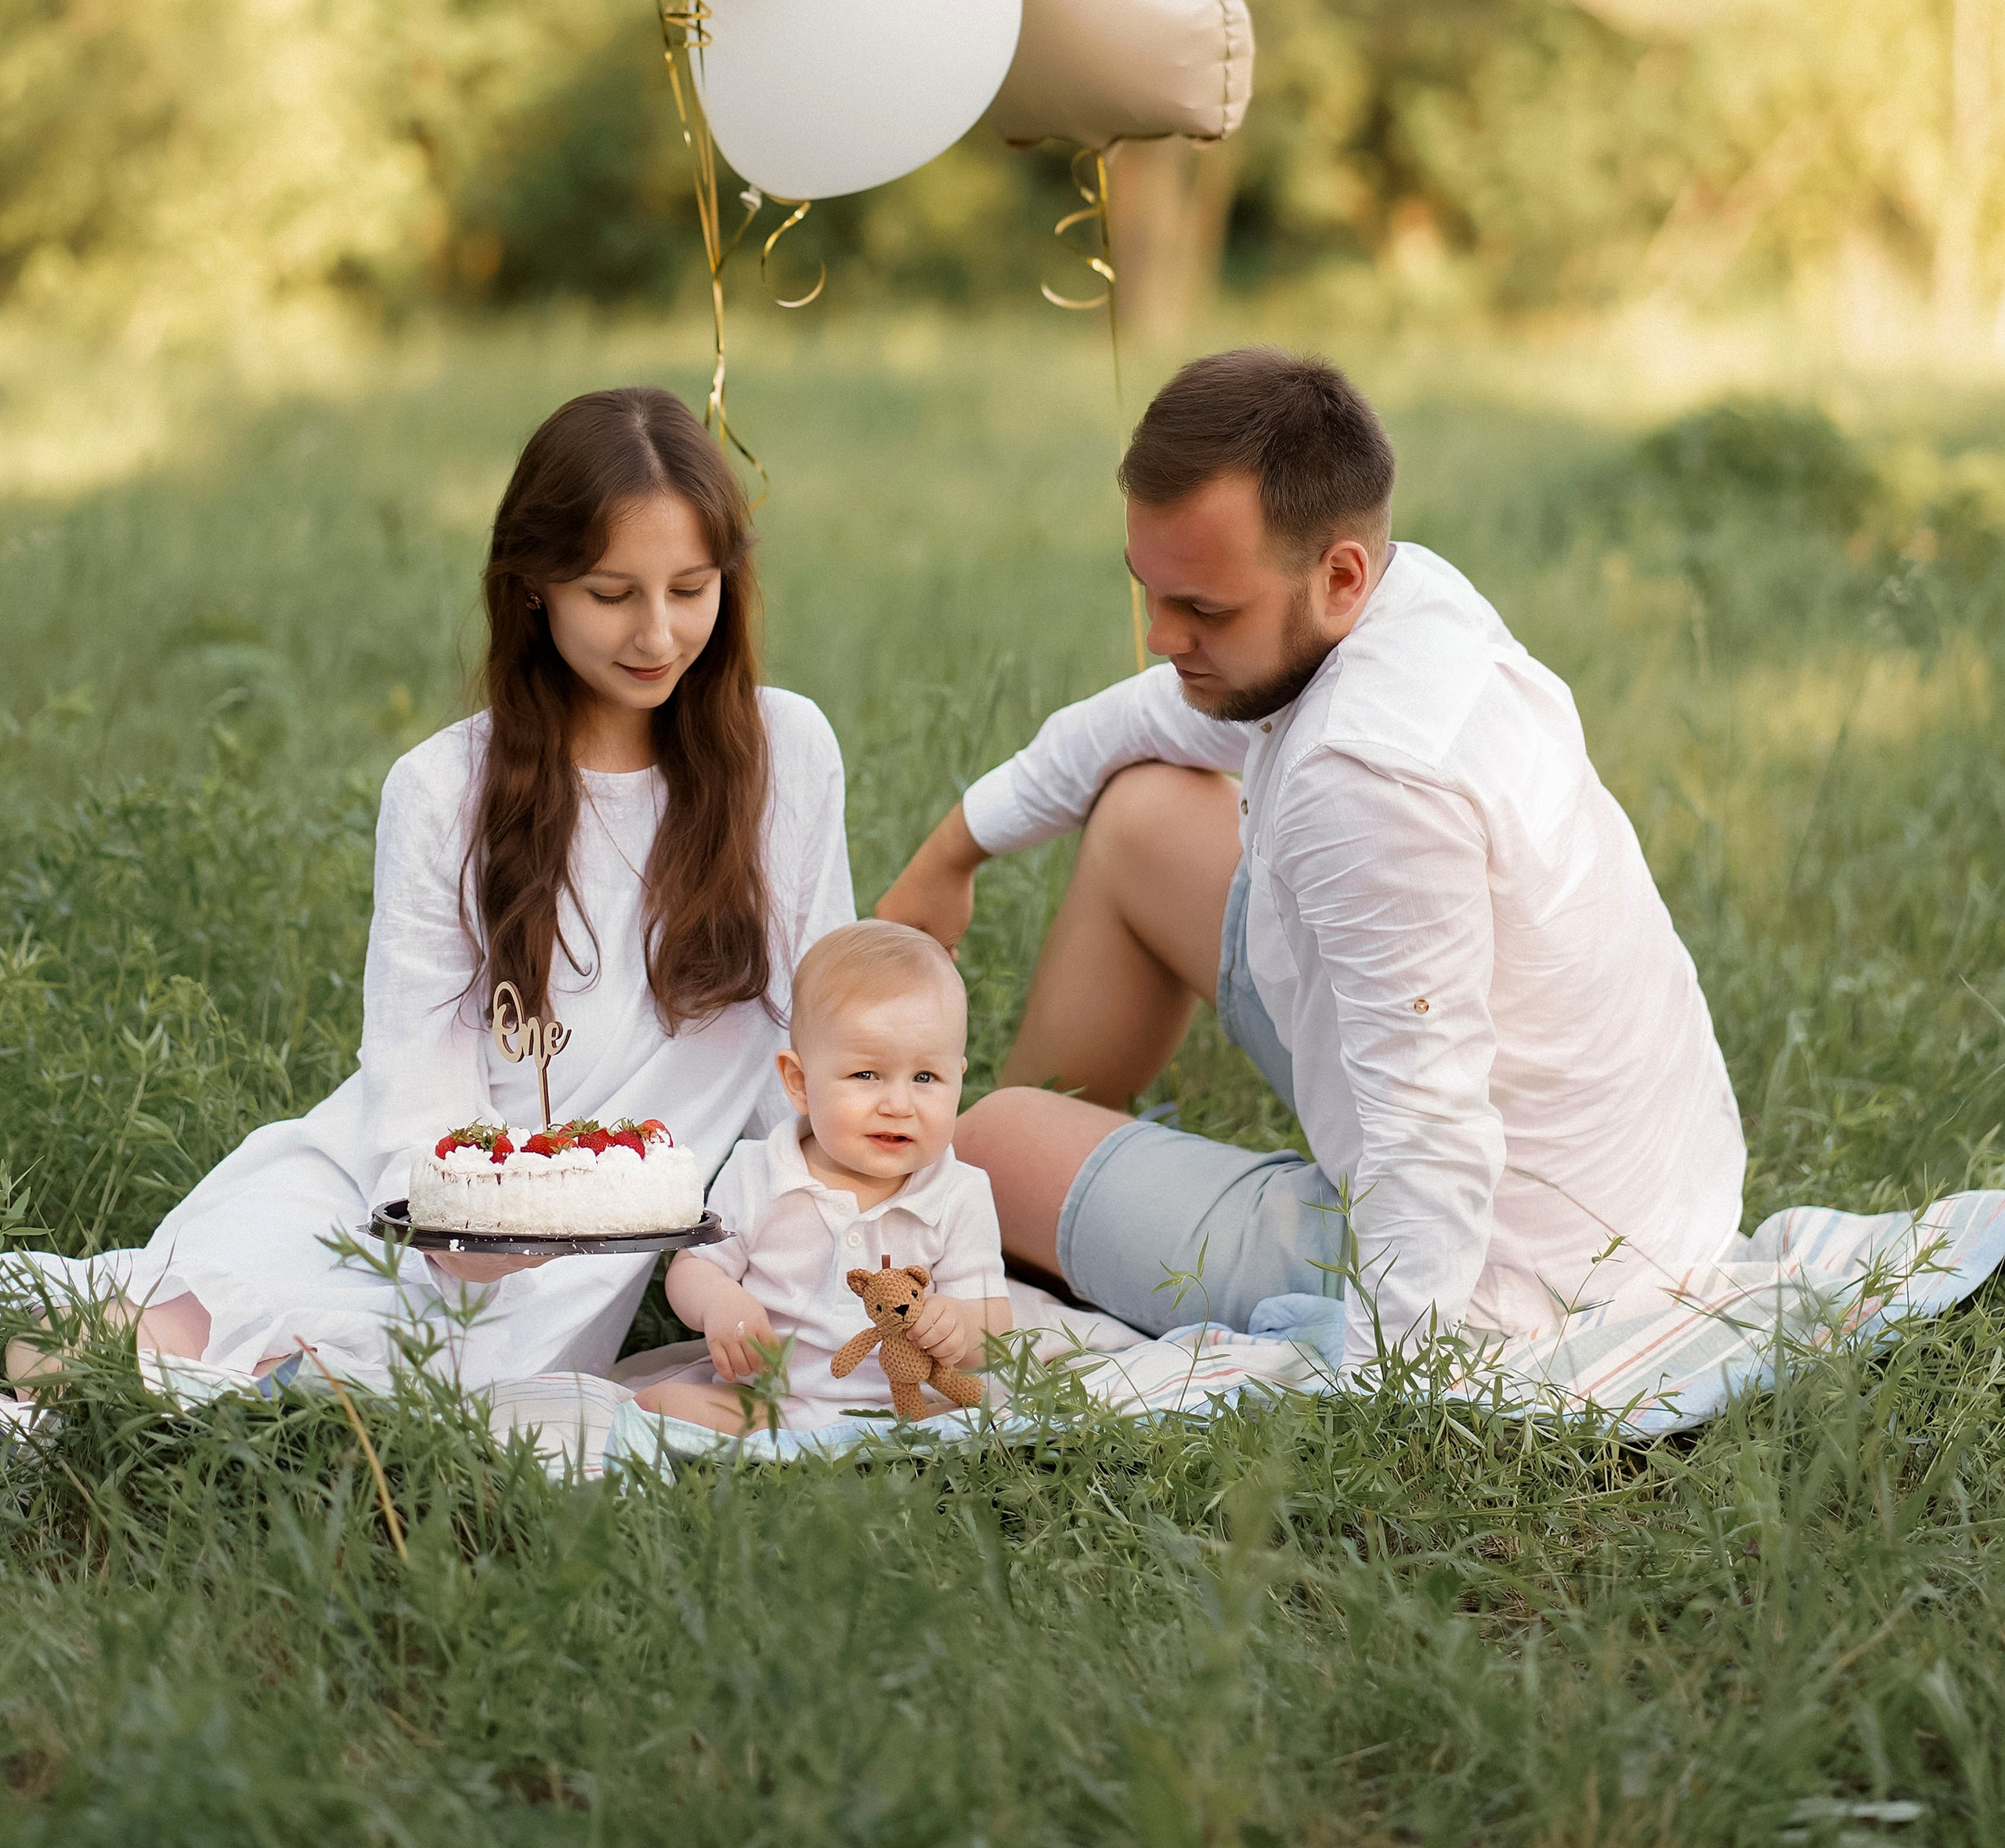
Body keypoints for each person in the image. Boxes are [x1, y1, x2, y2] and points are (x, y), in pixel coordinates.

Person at [879, 347, 1746, 1359]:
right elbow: (1151, 716)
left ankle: (1007, 1217)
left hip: (1526, 1273)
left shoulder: (1365, 782)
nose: (1161, 635)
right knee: (1146, 816)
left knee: (982, 1151)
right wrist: (954, 850)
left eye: (1204, 609)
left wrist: (1402, 1375)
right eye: (1149, 593)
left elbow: (1429, 1123)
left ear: (1338, 576)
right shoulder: (1404, 597)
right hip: (1647, 1186)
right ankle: (1055, 1199)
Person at [5, 387, 852, 1392]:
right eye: (612, 593)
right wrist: (467, 1233)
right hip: (408, 1212)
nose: (659, 634)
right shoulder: (446, 789)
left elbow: (816, 1041)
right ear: (534, 585)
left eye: (691, 589)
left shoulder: (783, 755)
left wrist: (845, 1219)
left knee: (313, 1391)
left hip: (561, 1286)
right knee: (139, 1349)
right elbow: (414, 1090)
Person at [632, 919, 1010, 1431]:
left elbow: (993, 1317)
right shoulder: (758, 1170)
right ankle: (792, 1445)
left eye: (926, 1078)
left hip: (907, 1405)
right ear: (800, 1083)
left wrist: (960, 1326)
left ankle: (878, 1451)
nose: (899, 1104)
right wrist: (721, 1302)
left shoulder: (960, 1192)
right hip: (774, 1400)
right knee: (656, 1405)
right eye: (866, 1075)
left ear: (958, 1079)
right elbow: (695, 1269)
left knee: (987, 1415)